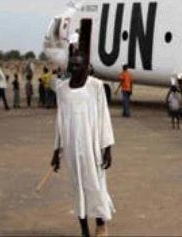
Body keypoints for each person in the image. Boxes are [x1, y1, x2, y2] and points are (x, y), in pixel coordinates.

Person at [52, 53, 114, 237]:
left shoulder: (96, 86)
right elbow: (59, 121)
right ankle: (84, 230)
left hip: (92, 146)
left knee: (96, 184)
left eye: (77, 65)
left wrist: (107, 148)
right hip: (72, 148)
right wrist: (56, 151)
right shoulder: (62, 90)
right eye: (71, 65)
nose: (73, 68)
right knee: (78, 187)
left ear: (86, 67)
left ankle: (100, 224)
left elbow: (104, 116)